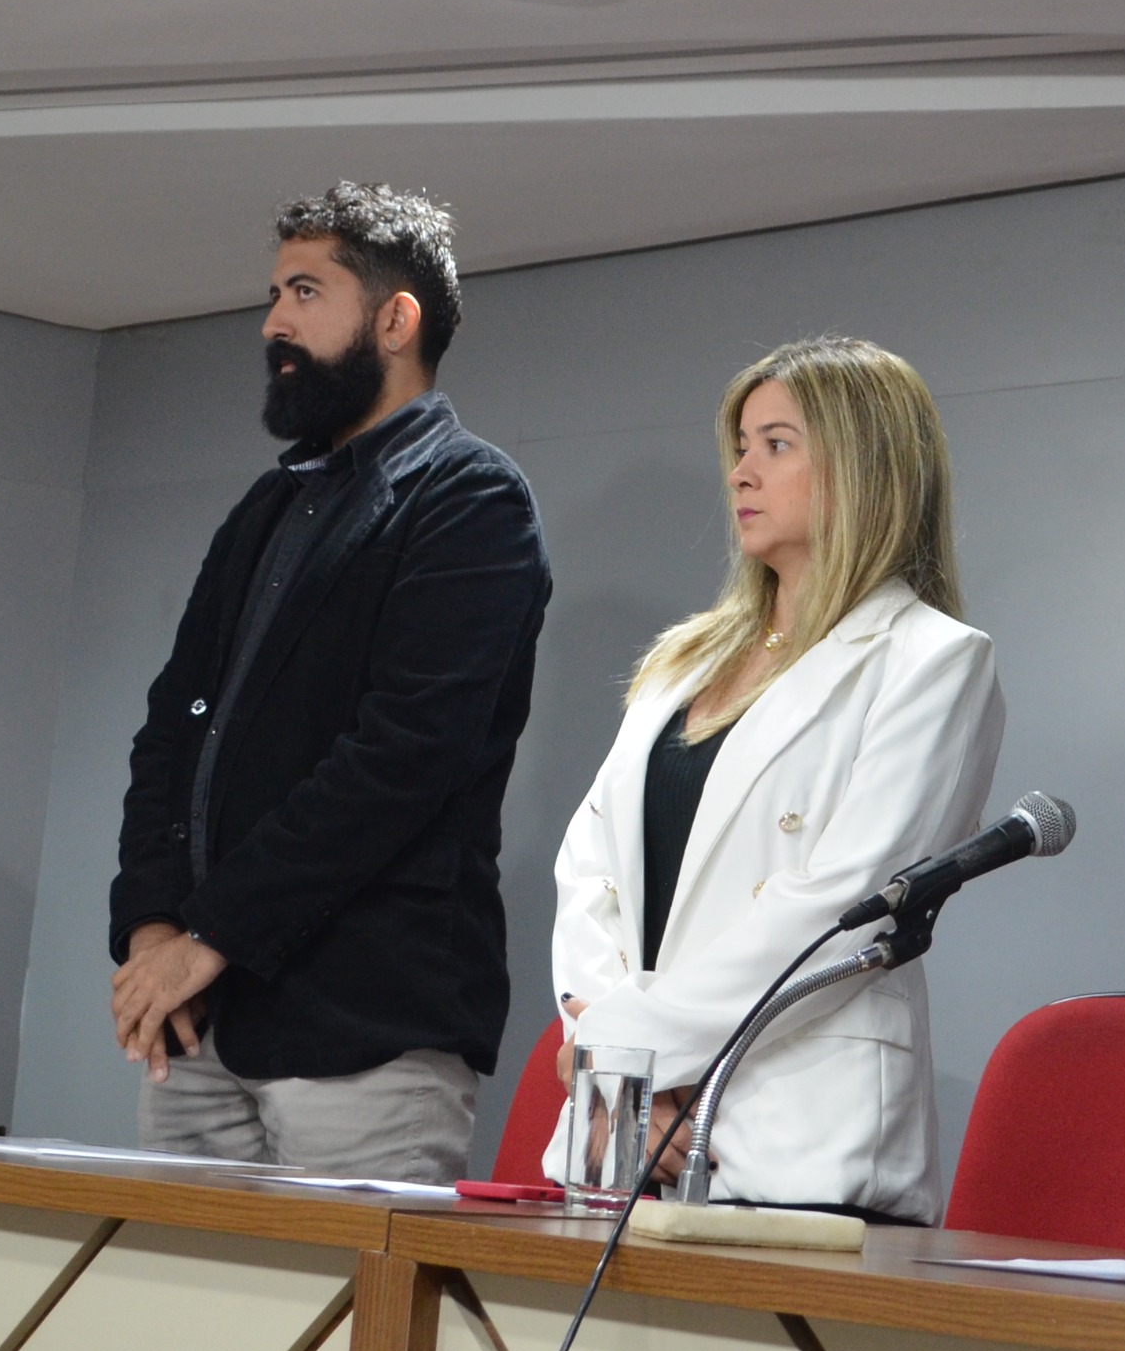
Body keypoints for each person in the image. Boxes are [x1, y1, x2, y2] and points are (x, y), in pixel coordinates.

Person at [111, 185, 550, 1184]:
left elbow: (402, 758)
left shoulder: (472, 497)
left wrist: (210, 935)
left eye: (305, 291)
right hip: (196, 1020)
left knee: (345, 1292)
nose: (274, 321)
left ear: (396, 321)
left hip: (364, 1028)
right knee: (174, 1282)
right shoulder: (266, 508)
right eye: (274, 293)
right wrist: (151, 927)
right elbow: (171, 732)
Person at [548, 337, 1000, 1220]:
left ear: (863, 468)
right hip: (624, 1133)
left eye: (776, 445)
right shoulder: (683, 662)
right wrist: (616, 1065)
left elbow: (842, 910)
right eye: (740, 447)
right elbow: (589, 871)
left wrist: (626, 1051)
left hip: (802, 1145)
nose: (741, 472)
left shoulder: (934, 661)